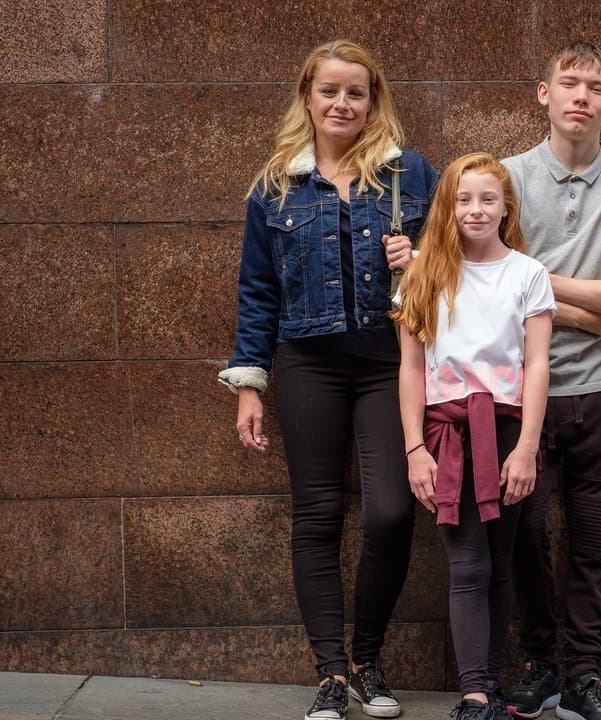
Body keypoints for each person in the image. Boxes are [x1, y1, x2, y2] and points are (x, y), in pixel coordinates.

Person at [217, 39, 438, 720]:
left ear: (374, 101)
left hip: (388, 363)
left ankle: (368, 661)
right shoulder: (275, 185)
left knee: (391, 512)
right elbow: (258, 290)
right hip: (307, 362)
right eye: (330, 91)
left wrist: (419, 259)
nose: (343, 103)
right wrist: (250, 384)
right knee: (315, 516)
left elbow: (461, 265)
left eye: (356, 92)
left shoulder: (409, 173)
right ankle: (332, 673)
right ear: (307, 98)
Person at [501, 41, 601, 720]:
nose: (581, 97)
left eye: (595, 88)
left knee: (595, 543)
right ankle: (539, 666)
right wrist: (582, 309)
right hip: (518, 390)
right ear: (544, 93)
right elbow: (485, 281)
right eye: (569, 83)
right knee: (524, 538)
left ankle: (584, 677)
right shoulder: (505, 178)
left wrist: (532, 281)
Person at [394, 153, 555, 720]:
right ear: (448, 206)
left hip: (507, 429)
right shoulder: (424, 274)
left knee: (500, 560)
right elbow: (411, 368)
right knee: (468, 563)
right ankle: (475, 694)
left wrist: (527, 447)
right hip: (448, 432)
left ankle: (489, 685)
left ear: (506, 206)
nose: (475, 209)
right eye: (463, 199)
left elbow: (537, 365)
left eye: (488, 198)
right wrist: (415, 449)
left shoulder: (528, 274)